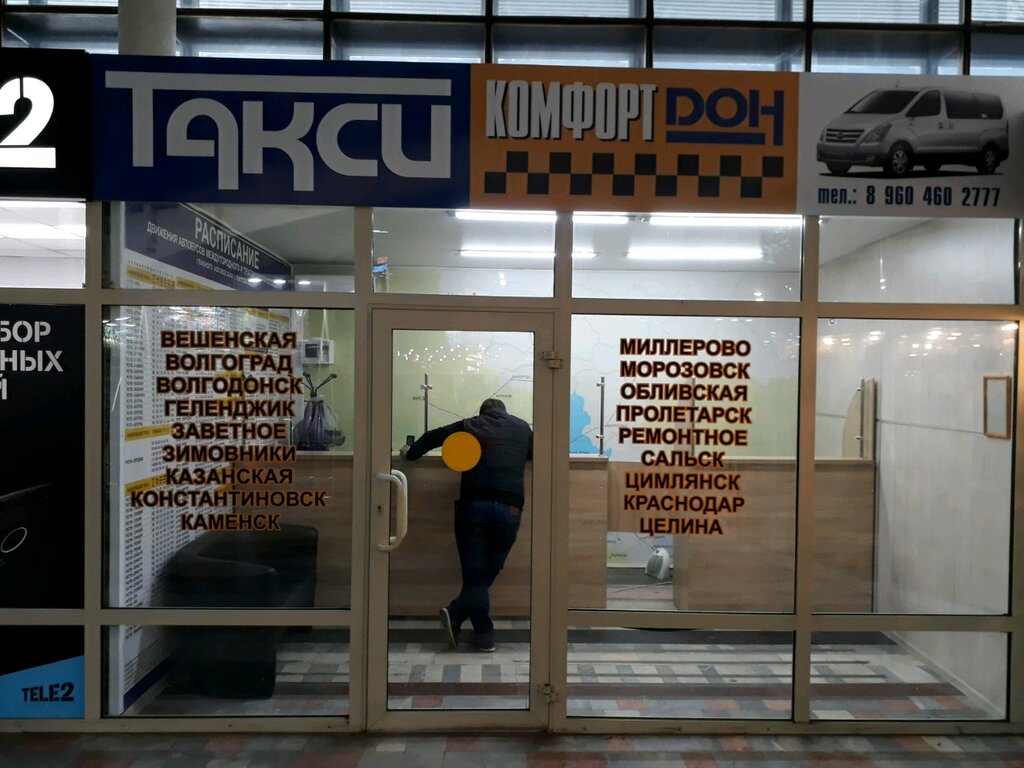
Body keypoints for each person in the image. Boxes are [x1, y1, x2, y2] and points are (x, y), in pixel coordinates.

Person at [400, 398, 533, 652]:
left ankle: (462, 617)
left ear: (483, 412)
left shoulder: (471, 425)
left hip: (474, 507)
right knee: (486, 572)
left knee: (475, 574)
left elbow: (433, 437)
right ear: (504, 412)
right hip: (510, 509)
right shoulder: (522, 428)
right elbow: (534, 453)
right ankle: (481, 633)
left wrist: (412, 453)